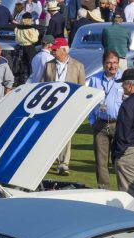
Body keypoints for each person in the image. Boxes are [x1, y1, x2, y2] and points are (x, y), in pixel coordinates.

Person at [42, 37, 85, 176]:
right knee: (49, 133)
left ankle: (63, 164)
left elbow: (82, 89)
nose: (52, 51)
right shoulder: (49, 65)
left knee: (66, 135)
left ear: (64, 50)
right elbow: (43, 85)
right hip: (51, 106)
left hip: (68, 106)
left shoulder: (78, 66)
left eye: (55, 49)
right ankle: (49, 160)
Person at [88, 50, 123, 189]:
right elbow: (89, 102)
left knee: (121, 160)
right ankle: (103, 190)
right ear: (103, 64)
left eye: (115, 62)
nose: (112, 66)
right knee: (101, 162)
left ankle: (123, 189)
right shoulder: (94, 79)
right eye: (109, 63)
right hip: (101, 124)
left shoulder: (124, 79)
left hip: (119, 124)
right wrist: (92, 121)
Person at [14, 12, 38, 82]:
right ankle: (31, 79)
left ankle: (22, 80)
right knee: (31, 64)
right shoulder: (31, 29)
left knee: (22, 64)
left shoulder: (18, 28)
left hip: (21, 47)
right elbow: (35, 39)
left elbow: (17, 39)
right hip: (30, 47)